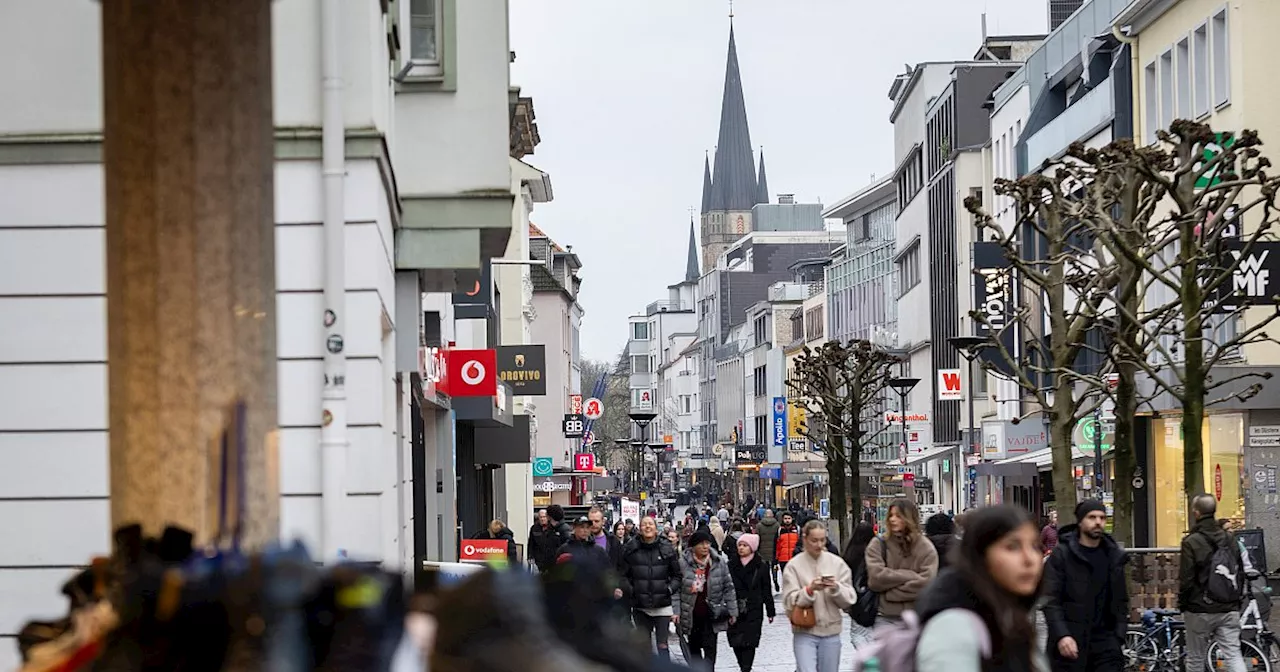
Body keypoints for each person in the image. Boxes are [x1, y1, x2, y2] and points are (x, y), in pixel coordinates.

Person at [915, 505, 1048, 672]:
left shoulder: (1011, 617)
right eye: (1012, 546)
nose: (1030, 559)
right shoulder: (954, 627)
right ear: (980, 555)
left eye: (1035, 546)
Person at [1042, 500, 1128, 672]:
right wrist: (1062, 635)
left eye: (1102, 518)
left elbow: (1121, 600)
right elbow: (1051, 599)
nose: (1098, 522)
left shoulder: (1113, 555)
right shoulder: (1062, 554)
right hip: (1071, 642)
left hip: (1106, 644)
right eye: (1092, 517)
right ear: (1080, 521)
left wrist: (1118, 636)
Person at [1181, 494, 1246, 672]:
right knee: (1233, 654)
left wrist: (1183, 604)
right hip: (1228, 606)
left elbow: (1187, 578)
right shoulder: (1230, 539)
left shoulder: (1191, 541)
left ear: (1196, 513)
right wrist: (1237, 600)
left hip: (1199, 608)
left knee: (1195, 658)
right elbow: (1239, 571)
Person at [782, 520, 857, 672]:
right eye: (814, 540)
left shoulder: (837, 563)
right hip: (804, 631)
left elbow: (850, 599)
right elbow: (789, 602)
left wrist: (836, 588)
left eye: (822, 540)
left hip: (831, 631)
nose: (818, 544)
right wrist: (809, 590)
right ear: (805, 539)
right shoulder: (794, 566)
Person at [617, 517, 682, 661]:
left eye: (650, 524)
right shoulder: (631, 548)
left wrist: (669, 589)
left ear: (656, 527)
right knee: (644, 646)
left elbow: (677, 575)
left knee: (662, 645)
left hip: (662, 604)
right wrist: (632, 590)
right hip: (640, 605)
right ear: (639, 528)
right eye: (644, 524)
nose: (647, 527)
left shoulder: (666, 547)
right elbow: (622, 575)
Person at [865, 498, 938, 624]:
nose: (892, 519)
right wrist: (910, 575)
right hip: (885, 617)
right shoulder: (878, 544)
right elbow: (876, 578)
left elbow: (926, 583)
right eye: (891, 515)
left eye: (898, 516)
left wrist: (890, 594)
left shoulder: (925, 547)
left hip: (916, 616)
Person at [674, 529, 738, 667]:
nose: (705, 546)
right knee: (693, 651)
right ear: (693, 546)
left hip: (711, 614)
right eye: (701, 543)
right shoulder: (682, 563)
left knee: (710, 652)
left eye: (707, 543)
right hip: (691, 614)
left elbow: (728, 587)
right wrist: (676, 611)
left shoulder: (718, 562)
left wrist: (732, 611)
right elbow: (676, 590)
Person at [727, 533, 775, 672]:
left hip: (753, 609)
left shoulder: (761, 566)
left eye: (745, 545)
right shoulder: (731, 564)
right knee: (736, 641)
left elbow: (766, 589)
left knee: (750, 642)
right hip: (735, 608)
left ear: (752, 547)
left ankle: (746, 668)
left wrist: (770, 611)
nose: (741, 548)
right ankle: (743, 666)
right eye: (740, 545)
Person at [840, 522, 876, 649]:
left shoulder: (850, 552)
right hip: (873, 596)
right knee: (872, 630)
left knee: (857, 631)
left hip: (855, 597)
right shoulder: (875, 552)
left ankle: (865, 654)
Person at [527, 509, 562, 574]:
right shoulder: (534, 528)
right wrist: (530, 556)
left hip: (551, 560)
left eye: (544, 517)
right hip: (539, 560)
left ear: (548, 517)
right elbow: (531, 543)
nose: (542, 519)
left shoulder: (554, 528)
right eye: (541, 517)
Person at [756, 509, 782, 590]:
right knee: (774, 566)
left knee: (765, 568)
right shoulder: (777, 525)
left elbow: (757, 538)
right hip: (774, 550)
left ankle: (766, 583)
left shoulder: (759, 525)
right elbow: (779, 538)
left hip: (762, 550)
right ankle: (775, 579)